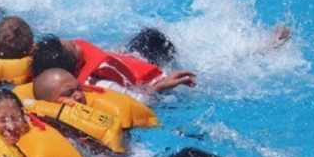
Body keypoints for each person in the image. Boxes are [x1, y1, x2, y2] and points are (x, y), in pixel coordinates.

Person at [31, 68, 314, 157]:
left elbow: (128, 108)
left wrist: (159, 87)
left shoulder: (92, 111)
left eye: (79, 89)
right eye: (69, 94)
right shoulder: (53, 132)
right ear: (48, 104)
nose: (81, 97)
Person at [31, 34, 197, 94]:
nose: (78, 43)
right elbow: (139, 100)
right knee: (155, 40)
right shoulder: (99, 84)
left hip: (127, 62)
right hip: (144, 78)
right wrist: (162, 86)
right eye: (74, 46)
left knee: (148, 37)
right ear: (75, 68)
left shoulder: (45, 73)